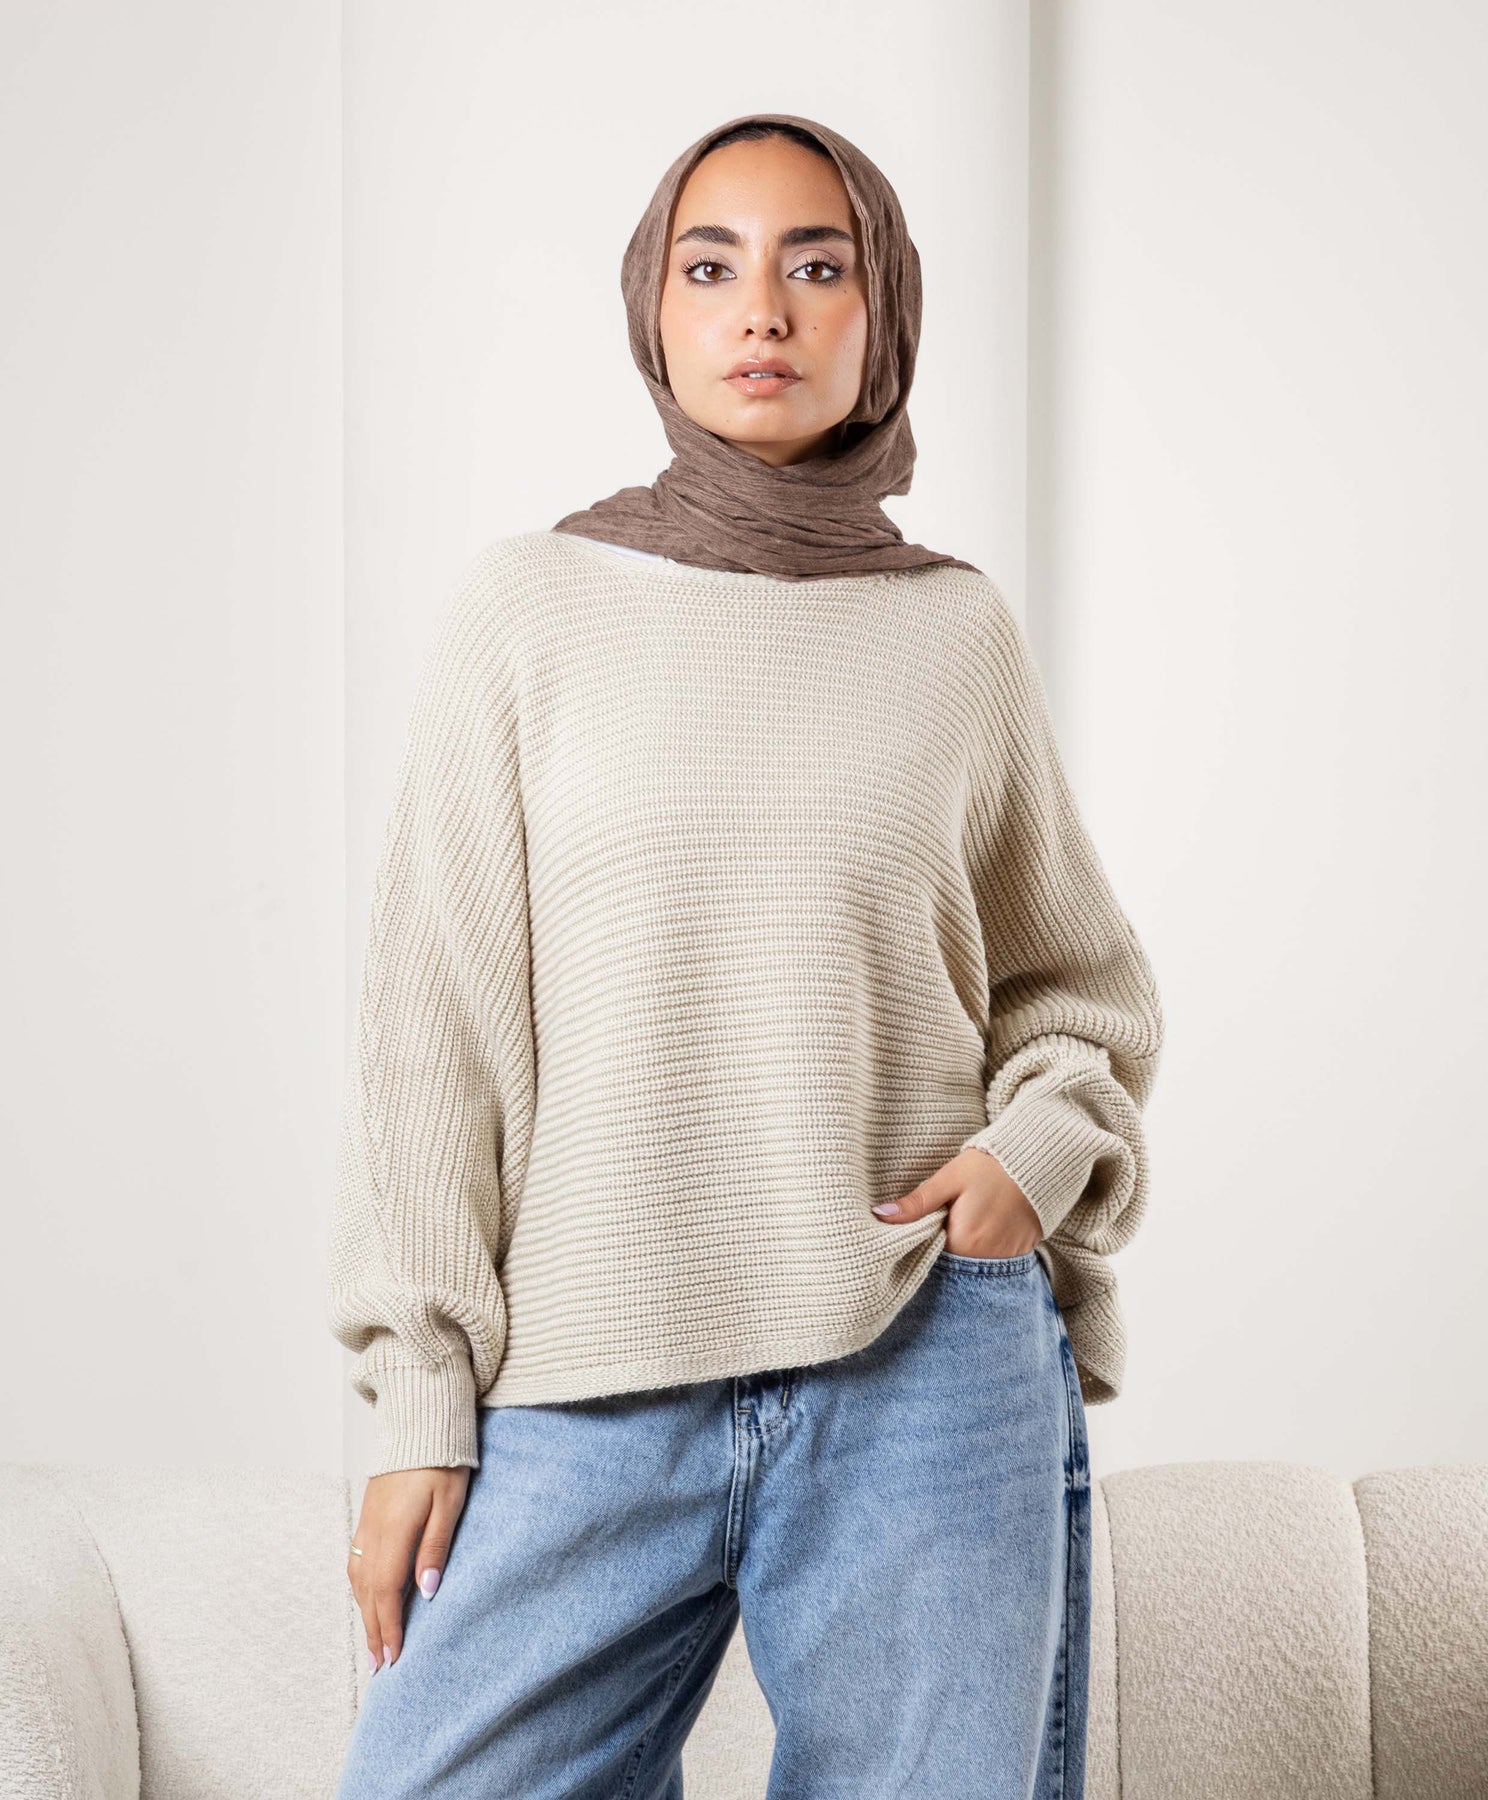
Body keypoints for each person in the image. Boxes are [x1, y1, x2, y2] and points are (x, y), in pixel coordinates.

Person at [327, 110, 1163, 1799]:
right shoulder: (529, 611)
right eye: (710, 268)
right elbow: (435, 1035)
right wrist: (422, 1395)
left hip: (924, 1356)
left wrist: (1032, 1159)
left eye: (816, 265)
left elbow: (1077, 988)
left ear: (883, 311)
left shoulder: (953, 631)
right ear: (654, 306)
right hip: (592, 1365)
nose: (762, 309)